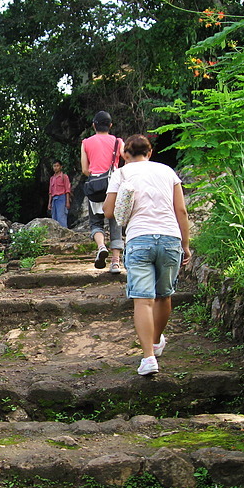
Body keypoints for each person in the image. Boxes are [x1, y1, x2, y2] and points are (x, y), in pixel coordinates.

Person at [103, 134, 192, 376]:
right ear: (150, 153)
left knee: (143, 299)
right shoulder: (167, 171)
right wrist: (185, 244)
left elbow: (109, 211)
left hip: (139, 239)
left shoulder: (121, 173)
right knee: (164, 296)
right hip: (170, 237)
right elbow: (181, 210)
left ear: (125, 155)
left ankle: (149, 358)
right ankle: (155, 341)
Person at [81, 110, 124, 274]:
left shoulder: (86, 143)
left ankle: (101, 246)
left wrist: (96, 174)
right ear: (110, 125)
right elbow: (128, 158)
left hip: (95, 185)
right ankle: (115, 263)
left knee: (96, 223)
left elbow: (85, 169)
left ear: (94, 125)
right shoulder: (117, 141)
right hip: (114, 184)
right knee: (115, 222)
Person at [47, 159, 72, 228]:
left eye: (57, 166)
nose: (56, 168)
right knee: (54, 218)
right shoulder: (52, 178)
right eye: (54, 166)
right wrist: (49, 203)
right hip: (54, 200)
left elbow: (67, 190)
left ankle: (64, 234)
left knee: (61, 217)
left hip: (62, 198)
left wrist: (67, 202)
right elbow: (50, 192)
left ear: (61, 167)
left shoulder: (64, 177)